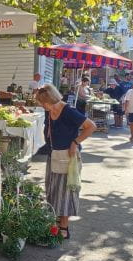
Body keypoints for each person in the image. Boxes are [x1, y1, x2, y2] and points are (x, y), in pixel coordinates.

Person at [36, 85, 96, 239]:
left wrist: (75, 142)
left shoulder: (69, 111)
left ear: (50, 101)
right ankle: (56, 220)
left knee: (66, 192)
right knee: (52, 189)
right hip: (53, 155)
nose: (42, 106)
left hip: (67, 158)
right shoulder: (49, 111)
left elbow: (91, 126)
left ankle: (64, 227)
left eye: (43, 103)